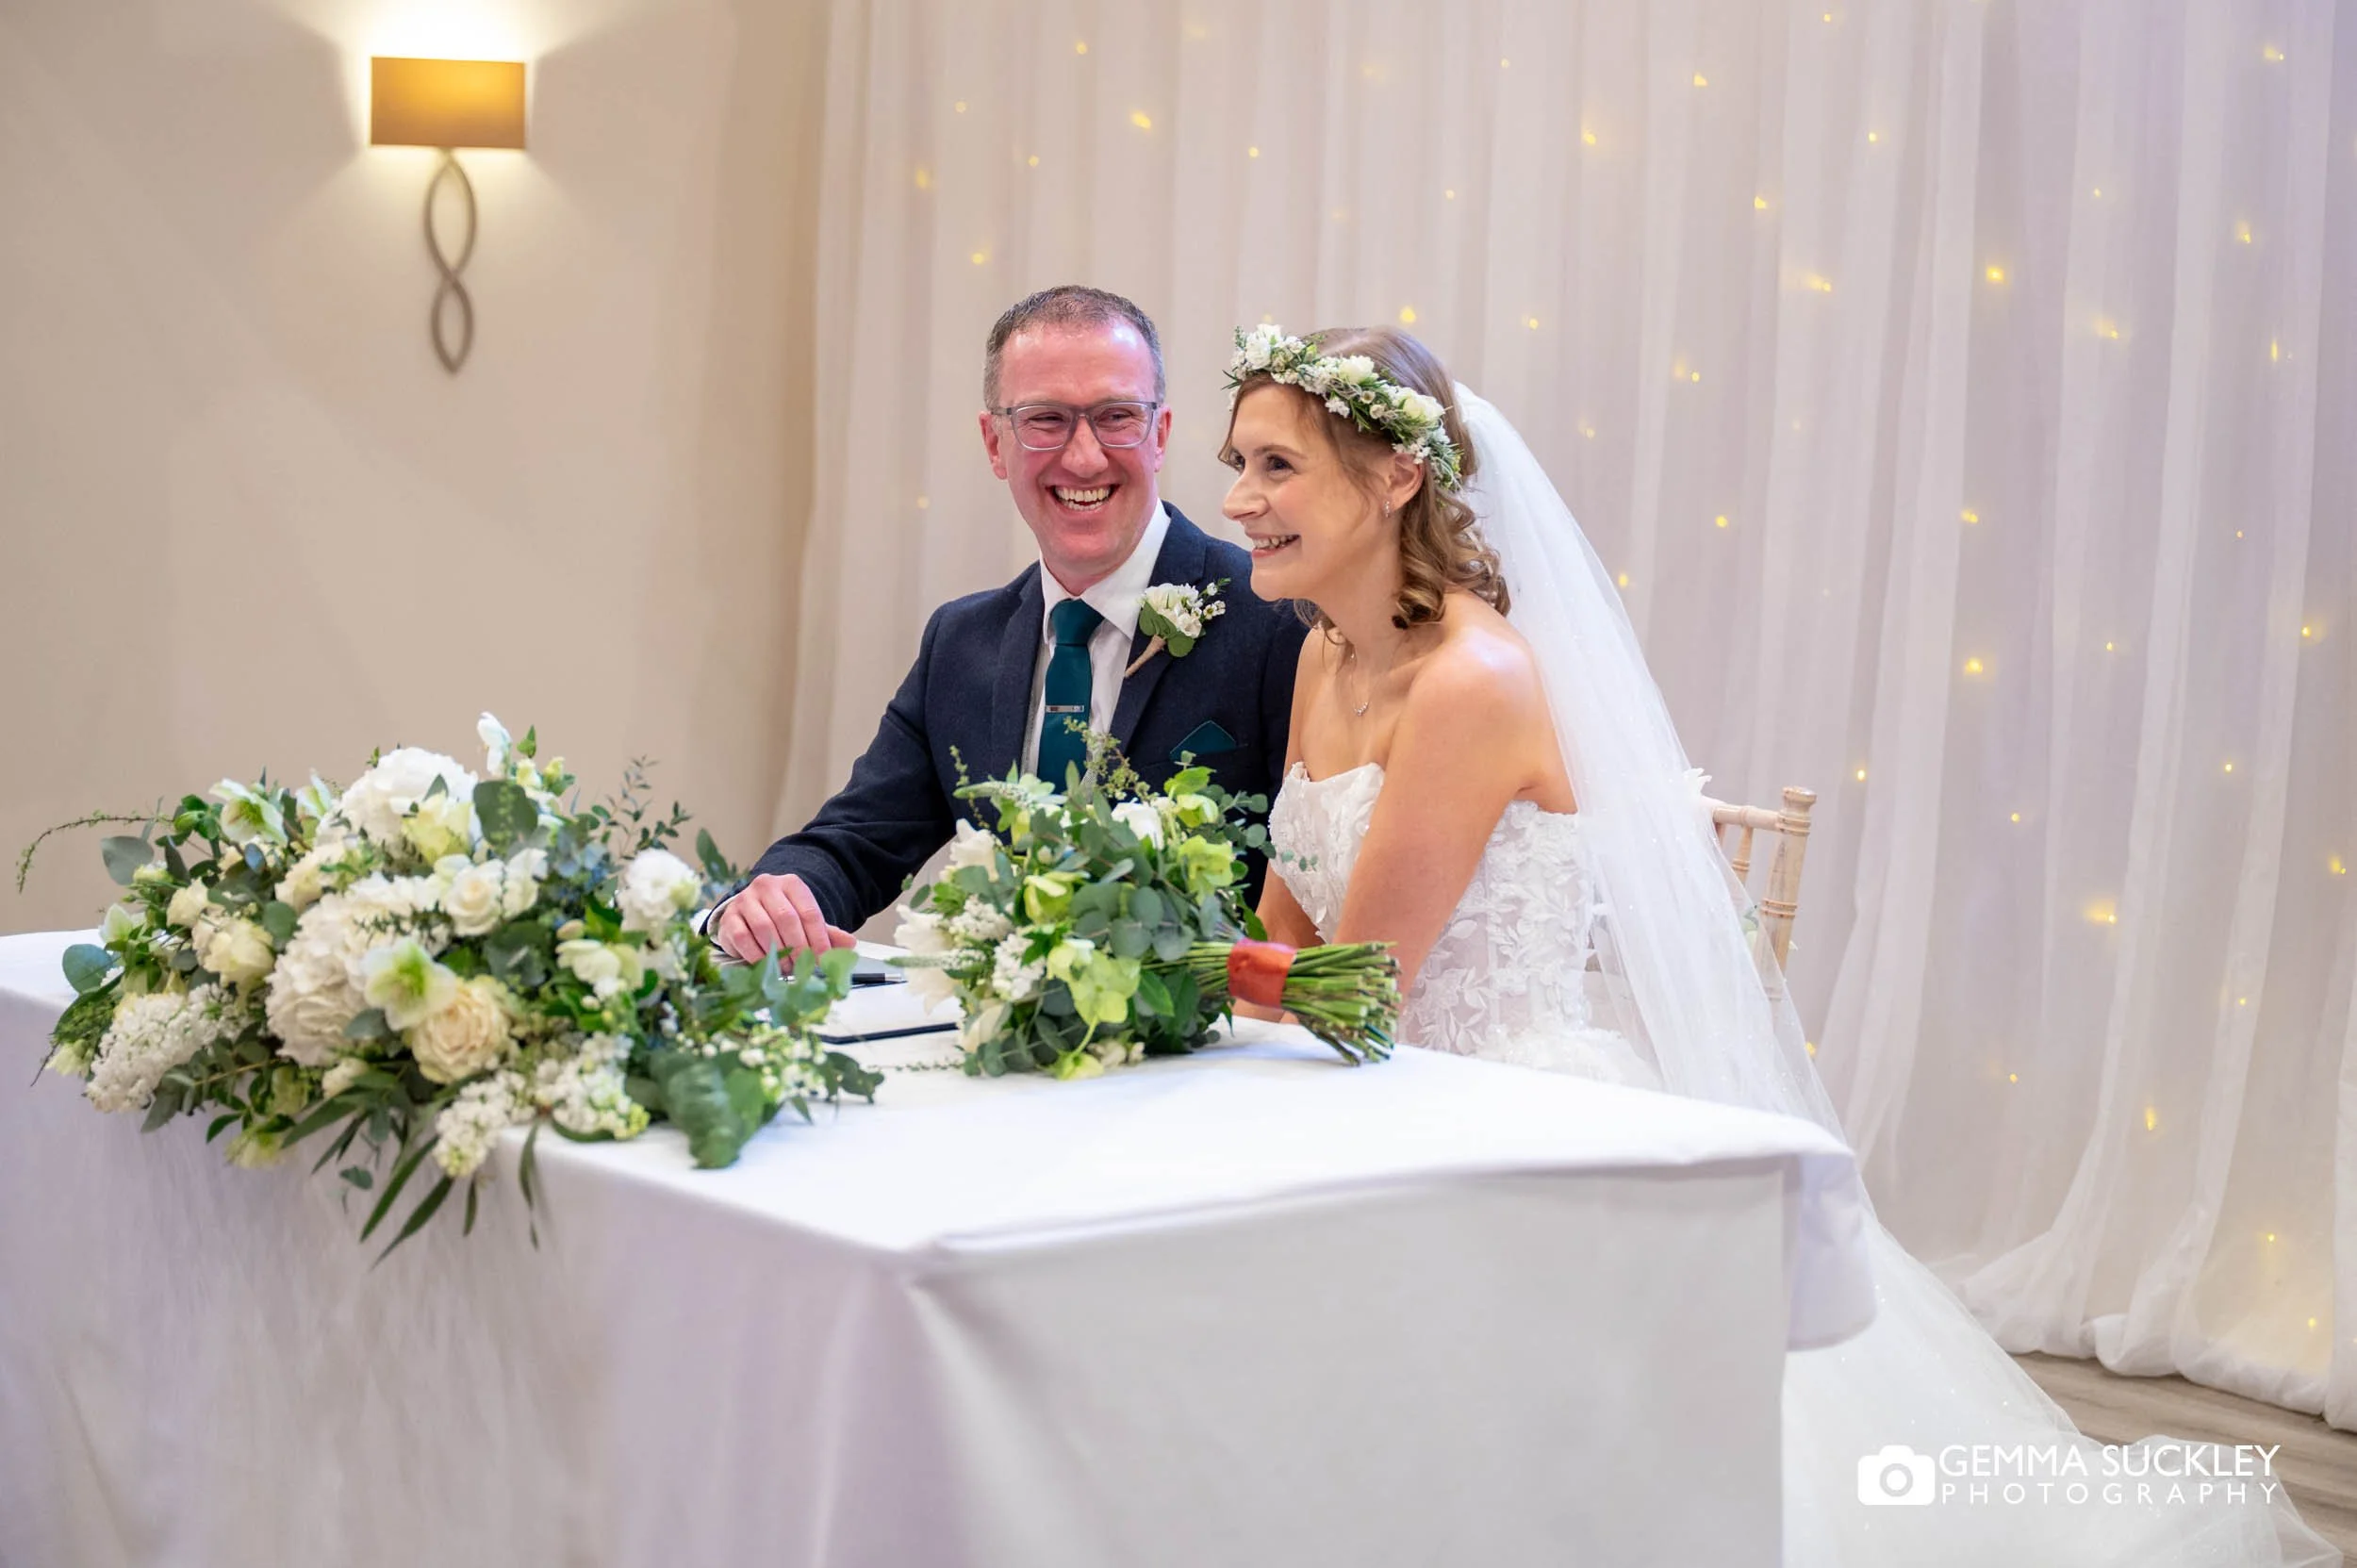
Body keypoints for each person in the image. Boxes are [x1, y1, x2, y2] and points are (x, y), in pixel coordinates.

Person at [1221, 321, 2335, 1565]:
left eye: (1275, 466)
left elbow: (1357, 983)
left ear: (1394, 475)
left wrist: (1173, 976)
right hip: (1371, 1088)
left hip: (1492, 1111)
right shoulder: (1328, 651)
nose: (1238, 500)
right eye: (1239, 463)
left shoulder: (1470, 678)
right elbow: (1285, 932)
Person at [708, 287, 1307, 964]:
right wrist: (763, 906)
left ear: (1160, 433)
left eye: (1116, 416)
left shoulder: (1275, 620)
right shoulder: (960, 643)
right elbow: (856, 842)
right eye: (1045, 420)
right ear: (995, 443)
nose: (1084, 457)